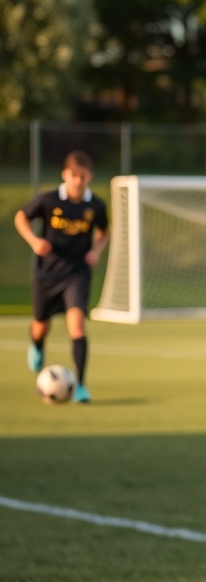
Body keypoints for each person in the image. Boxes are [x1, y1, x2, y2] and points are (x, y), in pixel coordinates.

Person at [15, 150, 110, 403]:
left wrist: (96, 250)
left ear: (90, 176)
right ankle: (37, 345)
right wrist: (34, 241)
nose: (78, 181)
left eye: (83, 176)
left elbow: (105, 230)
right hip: (47, 273)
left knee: (77, 326)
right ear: (65, 175)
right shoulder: (48, 201)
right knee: (40, 325)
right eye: (73, 176)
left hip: (77, 273)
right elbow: (21, 217)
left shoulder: (95, 205)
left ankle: (80, 385)